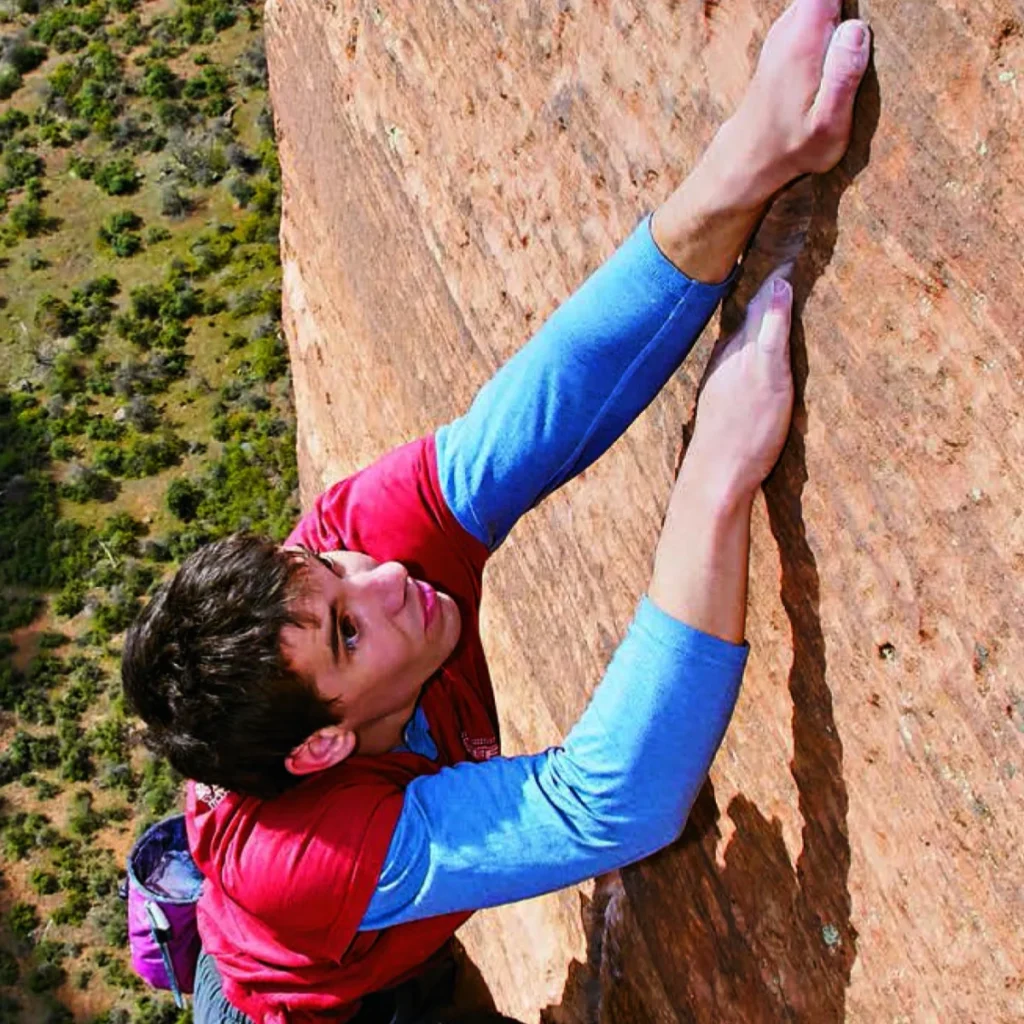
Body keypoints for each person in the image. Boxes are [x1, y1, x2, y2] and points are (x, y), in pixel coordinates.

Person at [122, 1, 871, 1020]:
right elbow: (606, 802)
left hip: (366, 932)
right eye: (348, 630)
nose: (382, 578)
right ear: (320, 748)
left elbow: (537, 414)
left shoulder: (352, 551)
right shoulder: (309, 851)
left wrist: (745, 162)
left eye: (330, 573)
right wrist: (714, 482)